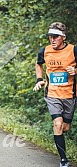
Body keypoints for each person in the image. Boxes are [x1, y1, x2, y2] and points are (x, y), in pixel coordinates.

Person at [33, 22, 77, 167]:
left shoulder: (73, 50)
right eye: (50, 37)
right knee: (57, 124)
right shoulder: (44, 51)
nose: (52, 39)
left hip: (69, 94)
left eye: (56, 37)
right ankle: (63, 159)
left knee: (65, 127)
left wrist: (75, 71)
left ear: (63, 37)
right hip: (52, 94)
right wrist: (39, 80)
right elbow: (38, 64)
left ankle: (63, 138)